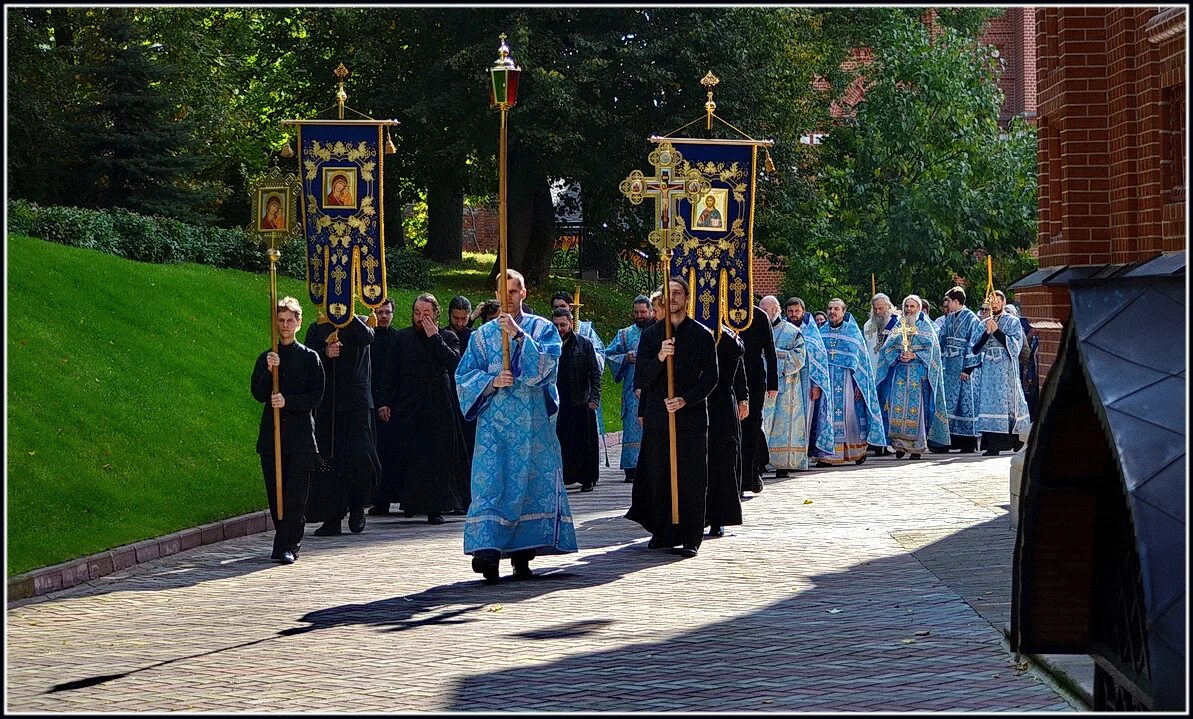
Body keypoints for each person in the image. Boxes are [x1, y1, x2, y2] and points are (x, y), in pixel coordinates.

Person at [456, 269, 577, 583]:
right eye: (503, 291)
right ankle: (487, 551)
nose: (508, 297)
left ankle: (523, 553)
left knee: (528, 484)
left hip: (532, 425)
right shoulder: (482, 336)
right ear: (496, 294)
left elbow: (548, 369)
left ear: (524, 293)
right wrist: (491, 381)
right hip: (494, 426)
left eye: (514, 291)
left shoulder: (543, 328)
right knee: (491, 483)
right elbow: (463, 378)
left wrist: (520, 337)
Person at [626, 277, 718, 558]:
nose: (673, 298)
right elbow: (641, 377)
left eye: (678, 293)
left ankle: (691, 536)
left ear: (687, 299)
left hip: (689, 417)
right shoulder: (652, 336)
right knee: (660, 474)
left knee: (690, 477)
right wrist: (661, 357)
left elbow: (711, 377)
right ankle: (663, 531)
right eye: (669, 294)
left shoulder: (702, 335)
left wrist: (685, 399)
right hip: (659, 415)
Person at [250, 297, 324, 564]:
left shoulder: (309, 357)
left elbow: (316, 396)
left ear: (298, 323)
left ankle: (289, 543)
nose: (284, 325)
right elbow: (258, 393)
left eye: (289, 321)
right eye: (280, 321)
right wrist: (270, 372)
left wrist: (288, 402)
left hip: (300, 436)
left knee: (295, 493)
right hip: (272, 435)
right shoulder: (268, 357)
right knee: (276, 492)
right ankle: (281, 540)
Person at [384, 293, 469, 523]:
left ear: (436, 315)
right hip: (409, 402)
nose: (421, 319)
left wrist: (434, 338)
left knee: (436, 455)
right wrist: (386, 401)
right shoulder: (403, 338)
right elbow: (391, 372)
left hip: (438, 404)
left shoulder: (447, 336)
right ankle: (411, 501)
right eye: (417, 314)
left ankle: (434, 508)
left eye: (426, 314)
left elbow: (454, 364)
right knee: (412, 454)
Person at [304, 310, 381, 536]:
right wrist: (325, 353)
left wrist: (349, 316)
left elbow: (368, 337)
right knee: (330, 460)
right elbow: (310, 361)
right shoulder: (317, 326)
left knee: (359, 458)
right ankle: (332, 516)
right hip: (328, 404)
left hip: (356, 403)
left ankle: (357, 508)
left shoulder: (360, 323)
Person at [761, 296, 833, 475]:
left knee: (784, 426)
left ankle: (784, 464)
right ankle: (761, 461)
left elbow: (799, 358)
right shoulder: (757, 330)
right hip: (762, 385)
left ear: (776, 310)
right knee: (763, 423)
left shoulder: (792, 332)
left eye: (766, 310)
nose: (763, 314)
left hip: (787, 388)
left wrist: (774, 358)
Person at [874, 295, 950, 459]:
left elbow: (933, 351)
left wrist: (915, 356)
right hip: (900, 373)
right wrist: (898, 355)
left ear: (919, 308)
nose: (908, 309)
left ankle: (916, 448)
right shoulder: (899, 326)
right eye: (906, 306)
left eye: (912, 306)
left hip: (918, 375)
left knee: (917, 411)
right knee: (897, 408)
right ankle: (900, 446)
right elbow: (887, 348)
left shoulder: (926, 326)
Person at [814, 299, 886, 466]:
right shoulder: (821, 332)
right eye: (830, 308)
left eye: (836, 309)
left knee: (850, 416)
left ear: (843, 312)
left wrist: (860, 386)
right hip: (828, 382)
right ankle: (829, 454)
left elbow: (862, 365)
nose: (832, 311)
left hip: (848, 382)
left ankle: (856, 451)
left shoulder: (852, 332)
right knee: (827, 416)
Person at [972, 291, 1032, 455]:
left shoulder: (1012, 321)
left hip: (1005, 368)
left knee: (1008, 403)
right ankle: (992, 445)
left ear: (1003, 302)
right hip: (989, 368)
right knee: (989, 403)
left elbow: (1015, 346)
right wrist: (986, 332)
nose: (994, 305)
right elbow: (975, 348)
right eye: (991, 302)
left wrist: (997, 331)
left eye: (997, 302)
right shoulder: (983, 322)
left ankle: (1013, 441)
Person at [551, 291, 608, 467]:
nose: (560, 330)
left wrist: (594, 397)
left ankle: (587, 478)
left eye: (563, 325)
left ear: (570, 321)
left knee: (584, 442)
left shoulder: (584, 341)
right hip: (559, 399)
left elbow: (595, 370)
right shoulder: (549, 341)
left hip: (581, 397)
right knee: (563, 441)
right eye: (557, 326)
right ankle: (567, 476)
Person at [705, 320, 747, 538]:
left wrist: (744, 396)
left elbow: (737, 359)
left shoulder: (728, 335)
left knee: (723, 460)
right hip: (695, 403)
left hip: (722, 402)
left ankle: (718, 517)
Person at [605, 296, 652, 483]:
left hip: (651, 386)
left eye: (643, 312)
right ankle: (631, 468)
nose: (640, 316)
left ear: (650, 311)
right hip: (632, 389)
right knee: (632, 426)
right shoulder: (624, 334)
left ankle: (650, 465)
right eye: (636, 312)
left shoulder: (658, 332)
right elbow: (609, 354)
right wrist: (626, 357)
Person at [934, 287, 984, 453]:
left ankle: (967, 443)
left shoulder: (971, 318)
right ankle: (947, 441)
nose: (947, 304)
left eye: (949, 301)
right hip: (949, 367)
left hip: (964, 368)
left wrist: (968, 369)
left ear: (956, 301)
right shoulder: (949, 318)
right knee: (949, 404)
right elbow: (941, 339)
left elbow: (975, 344)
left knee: (964, 403)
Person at [737, 302, 779, 495]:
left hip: (753, 377)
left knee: (752, 427)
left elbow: (770, 352)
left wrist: (772, 383)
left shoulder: (759, 316)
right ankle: (734, 478)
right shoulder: (721, 314)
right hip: (728, 376)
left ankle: (750, 475)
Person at [368, 298, 402, 516]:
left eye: (387, 312)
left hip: (392, 403)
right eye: (380, 312)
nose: (383, 316)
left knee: (390, 452)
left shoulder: (397, 338)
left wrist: (386, 401)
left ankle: (388, 497)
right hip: (371, 400)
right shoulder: (368, 338)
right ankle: (377, 498)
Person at [445, 295, 478, 470]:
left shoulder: (474, 338)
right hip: (448, 394)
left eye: (463, 318)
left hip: (469, 397)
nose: (459, 323)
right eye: (455, 318)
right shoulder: (443, 334)